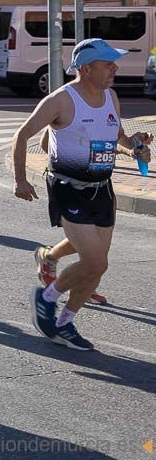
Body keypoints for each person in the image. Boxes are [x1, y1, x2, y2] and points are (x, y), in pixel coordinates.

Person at [12, 38, 151, 351]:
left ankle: (65, 323)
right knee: (95, 262)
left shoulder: (111, 96)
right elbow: (22, 135)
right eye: (107, 64)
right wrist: (20, 180)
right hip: (69, 189)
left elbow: (117, 135)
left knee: (96, 266)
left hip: (103, 189)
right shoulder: (62, 100)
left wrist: (137, 146)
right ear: (86, 69)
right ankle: (46, 299)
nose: (114, 68)